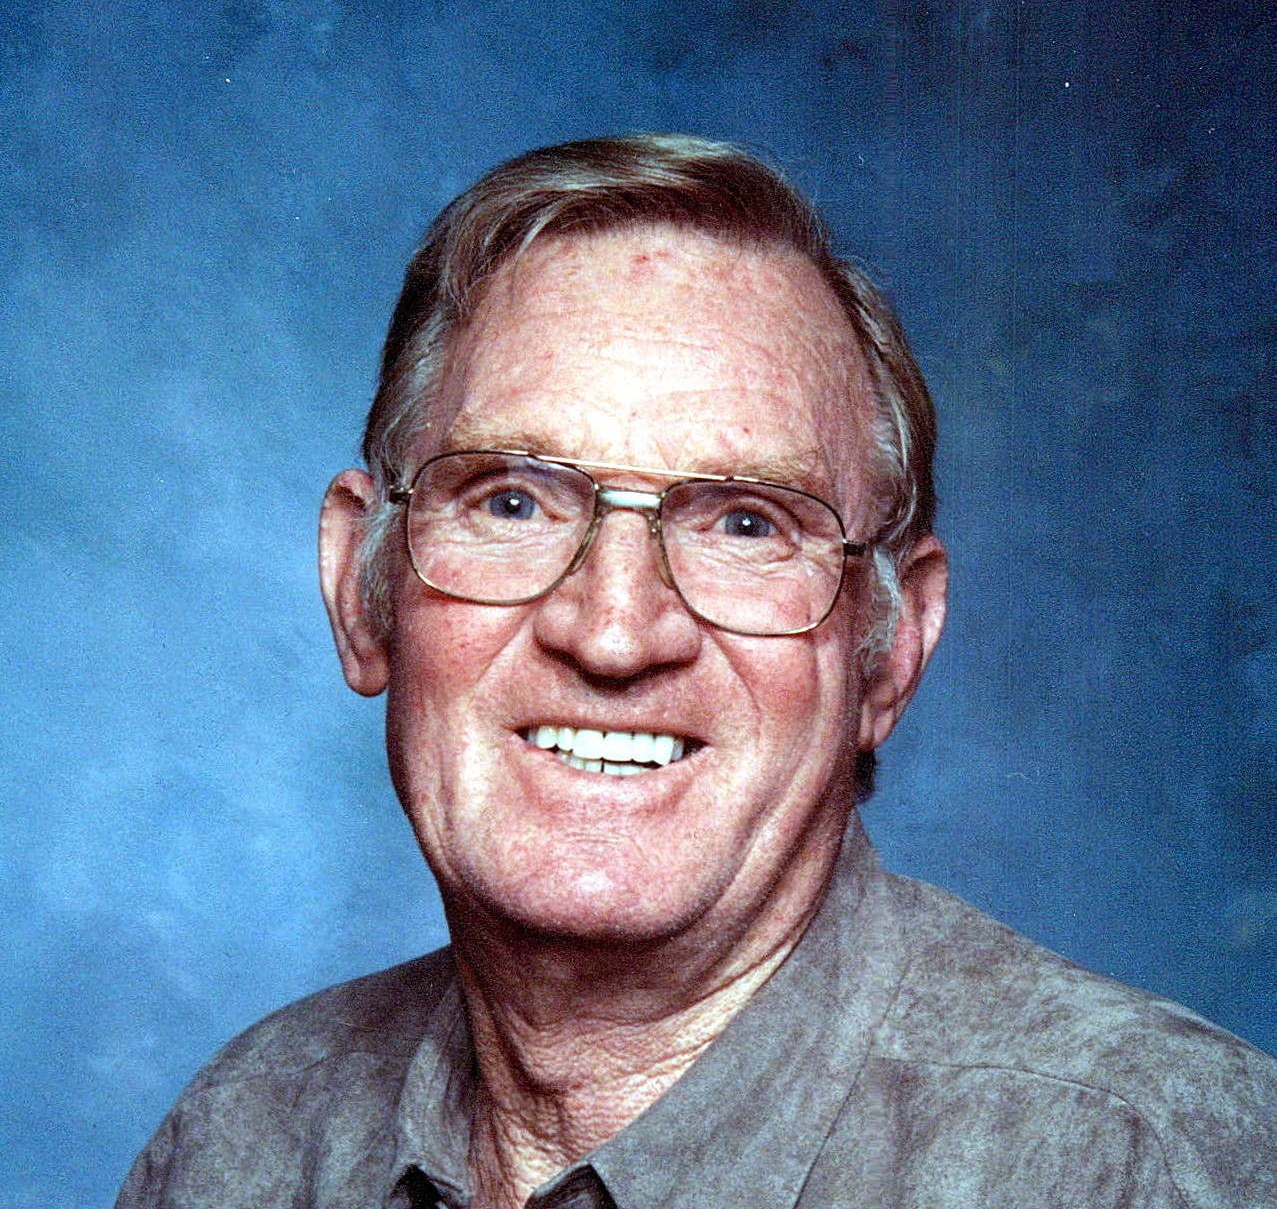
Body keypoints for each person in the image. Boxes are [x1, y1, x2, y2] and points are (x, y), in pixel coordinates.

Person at [116, 134, 1277, 1209]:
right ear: (358, 589)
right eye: (510, 501)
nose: (614, 633)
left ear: (889, 647)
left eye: (746, 524)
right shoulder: (241, 1144)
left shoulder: (1138, 1163)